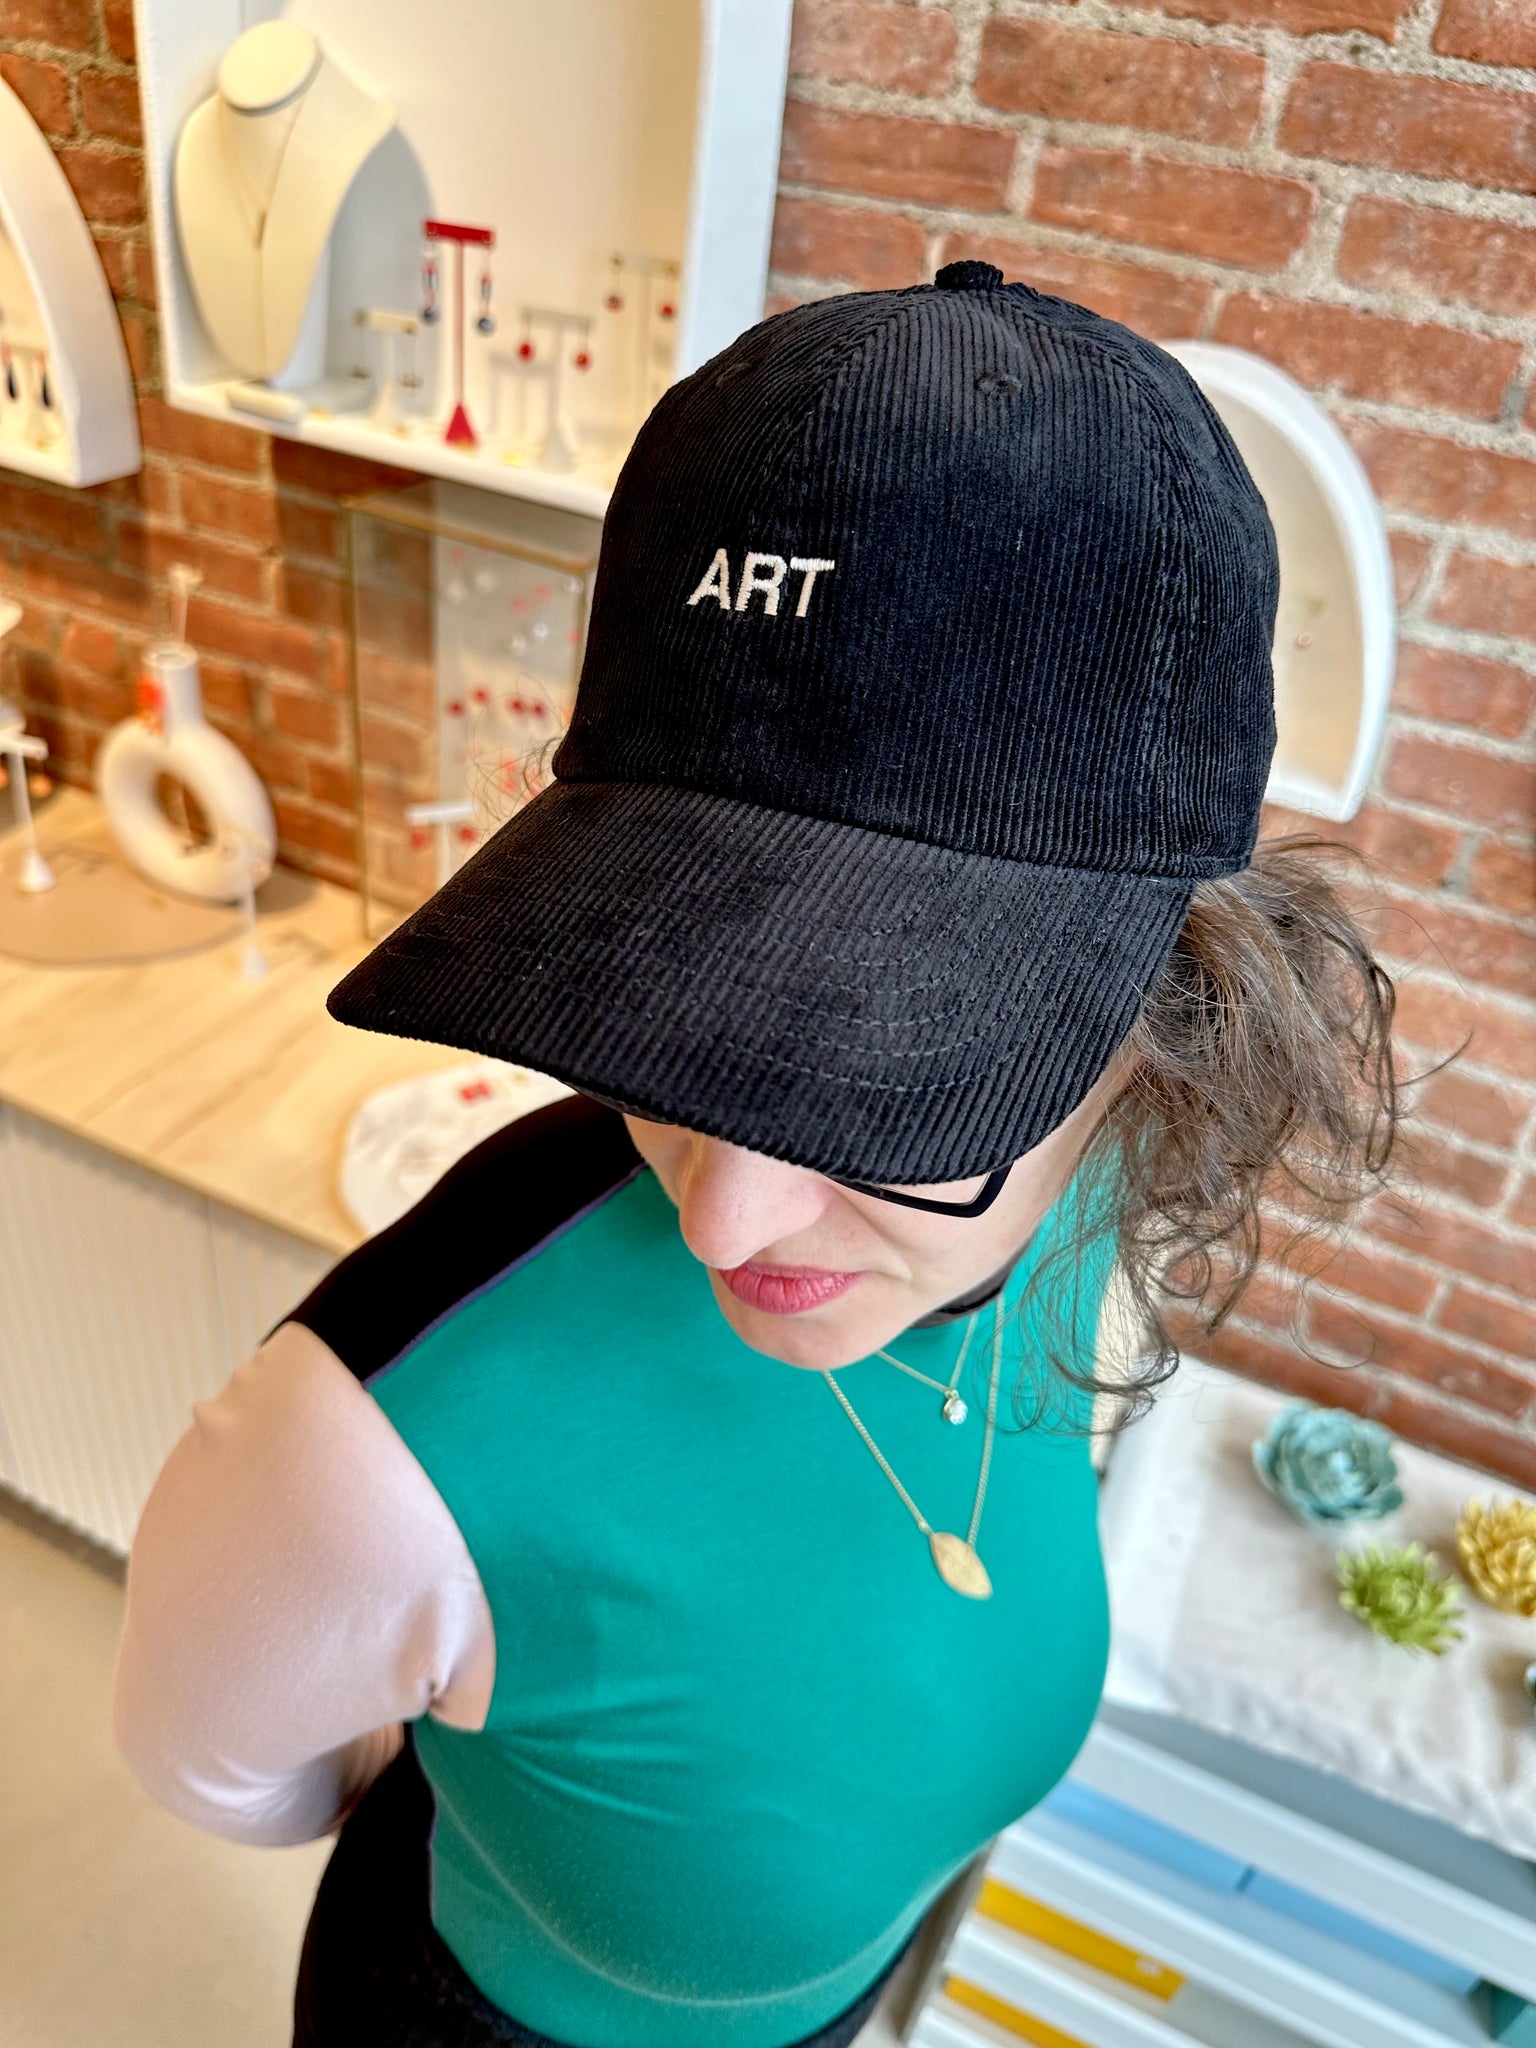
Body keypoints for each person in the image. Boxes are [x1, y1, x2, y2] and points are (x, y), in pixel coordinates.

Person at [112, 262, 1399, 2048]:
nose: (721, 1218)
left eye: (892, 1073)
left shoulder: (1097, 1185)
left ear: (1173, 1012)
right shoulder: (361, 1449)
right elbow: (219, 1763)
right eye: (661, 1002)